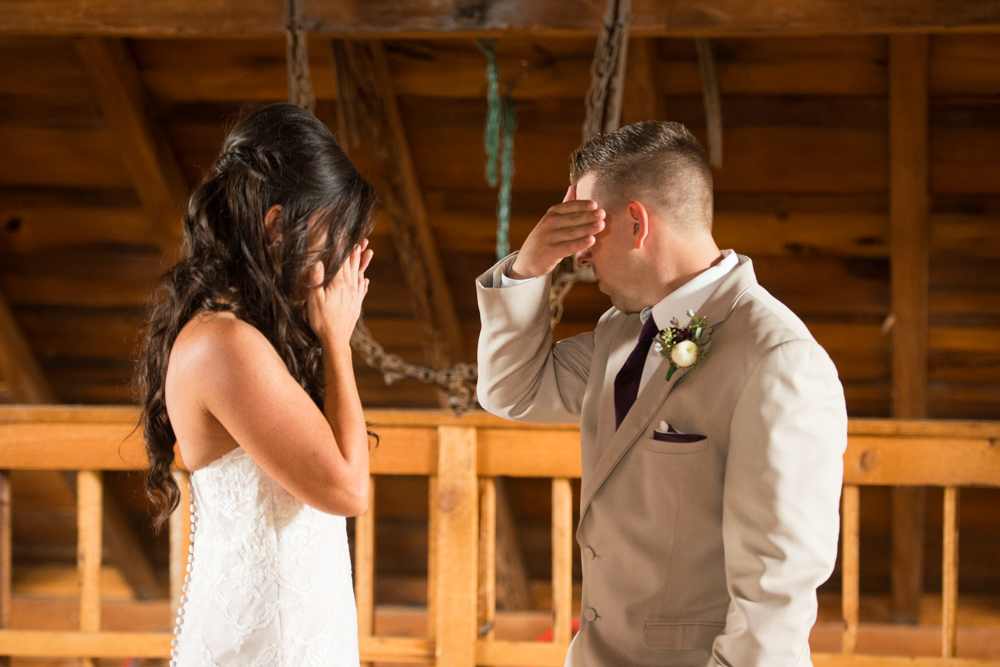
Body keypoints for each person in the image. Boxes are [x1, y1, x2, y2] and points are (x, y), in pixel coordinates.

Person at [476, 121, 847, 666]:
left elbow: (775, 591)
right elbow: (512, 391)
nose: (580, 256)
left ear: (635, 223)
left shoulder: (779, 359)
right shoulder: (620, 331)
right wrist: (529, 267)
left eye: (585, 231)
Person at [137, 103, 375, 666]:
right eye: (333, 233)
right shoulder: (225, 344)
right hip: (263, 647)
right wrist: (337, 341)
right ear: (276, 227)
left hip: (293, 634)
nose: (339, 262)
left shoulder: (244, 335)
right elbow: (347, 489)